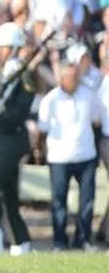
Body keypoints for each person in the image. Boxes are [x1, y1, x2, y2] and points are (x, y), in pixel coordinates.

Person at [36, 57, 105, 250]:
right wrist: (40, 152)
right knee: (59, 201)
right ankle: (59, 241)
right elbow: (42, 129)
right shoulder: (50, 99)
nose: (74, 80)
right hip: (59, 157)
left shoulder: (88, 95)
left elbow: (96, 120)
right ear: (62, 78)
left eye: (77, 76)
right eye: (70, 77)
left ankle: (83, 240)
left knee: (87, 202)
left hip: (86, 155)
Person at [0, 22, 35, 254]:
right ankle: (22, 242)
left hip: (14, 140)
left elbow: (22, 109)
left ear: (13, 48)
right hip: (0, 141)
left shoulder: (25, 74)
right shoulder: (0, 73)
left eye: (3, 47)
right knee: (9, 195)